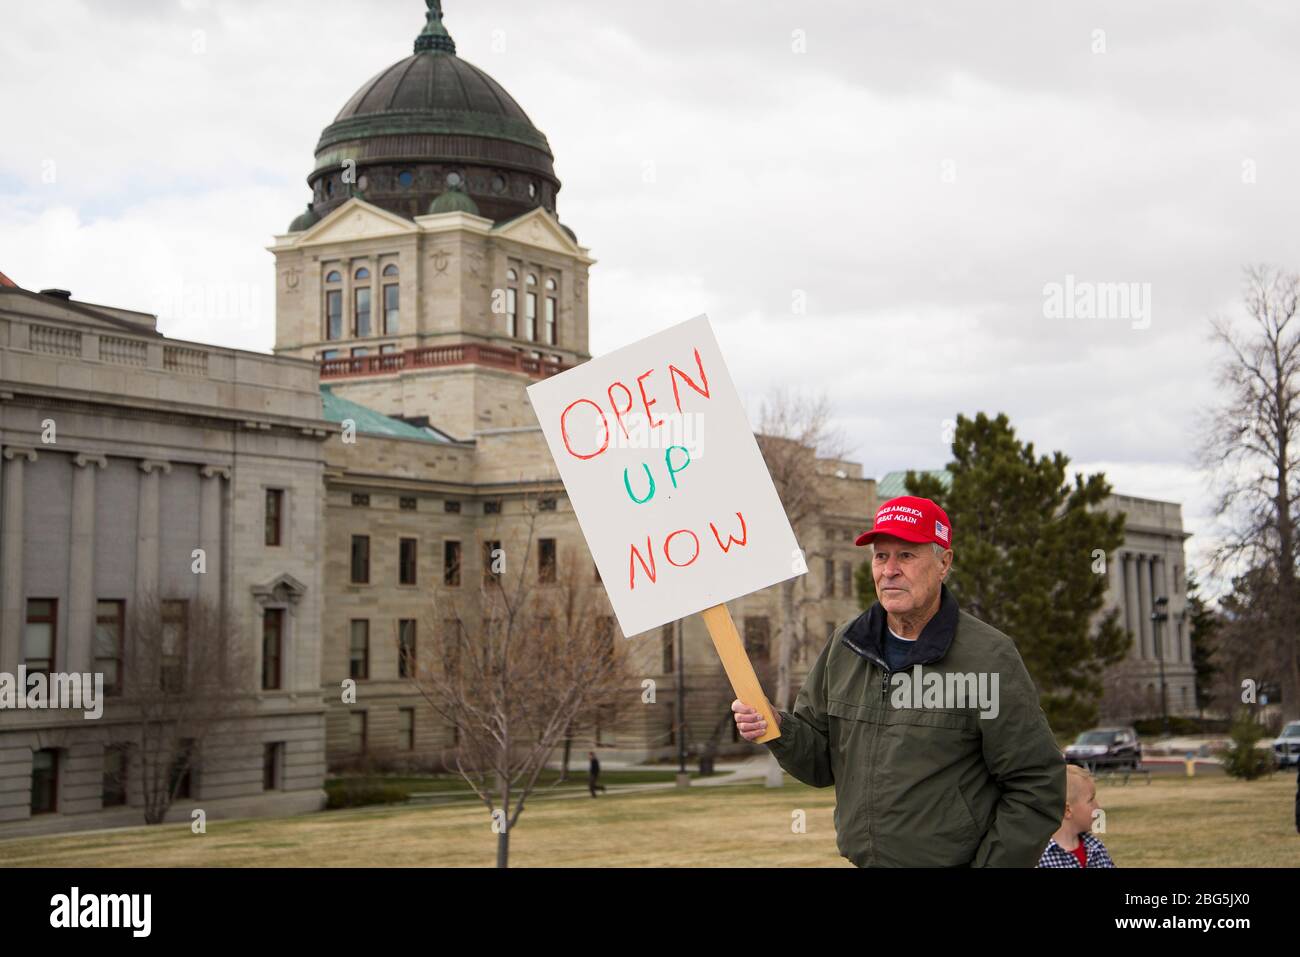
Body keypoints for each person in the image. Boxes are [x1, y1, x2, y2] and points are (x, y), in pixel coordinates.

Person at [733, 495, 1066, 867]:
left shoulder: (989, 656)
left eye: (906, 555)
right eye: (880, 556)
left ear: (944, 562)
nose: (889, 569)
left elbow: (1037, 785)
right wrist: (778, 727)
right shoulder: (846, 646)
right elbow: (820, 764)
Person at [1037, 764, 1116, 867]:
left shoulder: (1096, 847)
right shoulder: (1038, 858)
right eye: (1091, 800)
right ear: (1067, 811)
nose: (1098, 807)